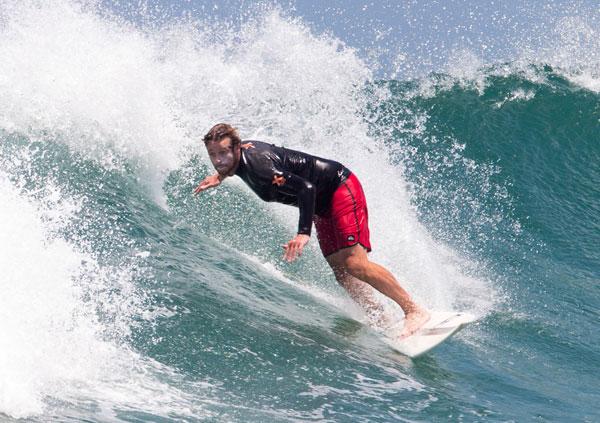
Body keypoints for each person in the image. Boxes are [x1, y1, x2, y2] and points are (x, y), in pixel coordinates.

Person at [193, 123, 430, 339]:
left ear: (237, 148)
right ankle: (380, 317)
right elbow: (236, 164)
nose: (218, 160)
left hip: (339, 189)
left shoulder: (260, 167)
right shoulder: (239, 159)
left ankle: (413, 310)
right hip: (321, 204)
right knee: (342, 272)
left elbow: (306, 188)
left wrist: (303, 233)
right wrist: (221, 175)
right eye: (213, 155)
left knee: (356, 264)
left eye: (223, 153)